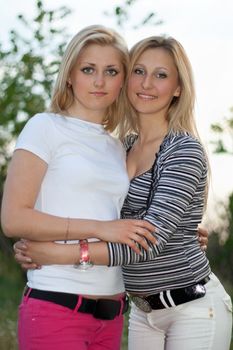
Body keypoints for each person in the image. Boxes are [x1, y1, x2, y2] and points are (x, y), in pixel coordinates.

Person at [11, 34, 231, 349]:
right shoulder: (120, 148)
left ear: (178, 88)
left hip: (192, 306)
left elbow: (148, 240)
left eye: (161, 75)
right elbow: (108, 212)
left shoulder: (182, 149)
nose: (147, 84)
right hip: (142, 314)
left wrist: (61, 252)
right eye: (139, 71)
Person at [1, 25, 159, 350]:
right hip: (56, 307)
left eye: (111, 71)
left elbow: (130, 219)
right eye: (89, 69)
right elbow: (13, 219)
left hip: (112, 314)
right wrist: (103, 229)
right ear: (71, 74)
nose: (99, 81)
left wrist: (185, 231)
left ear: (122, 81)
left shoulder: (119, 148)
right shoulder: (44, 127)